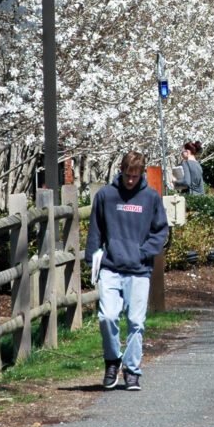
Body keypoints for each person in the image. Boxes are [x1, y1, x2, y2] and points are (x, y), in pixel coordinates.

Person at [84, 151, 169, 391]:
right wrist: (92, 258)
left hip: (139, 269)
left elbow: (160, 231)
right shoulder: (106, 196)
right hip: (110, 267)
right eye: (127, 175)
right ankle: (112, 361)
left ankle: (132, 370)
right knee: (107, 317)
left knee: (136, 322)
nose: (131, 180)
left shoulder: (150, 198)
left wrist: (143, 252)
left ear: (141, 174)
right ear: (120, 170)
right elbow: (96, 229)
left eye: (135, 176)